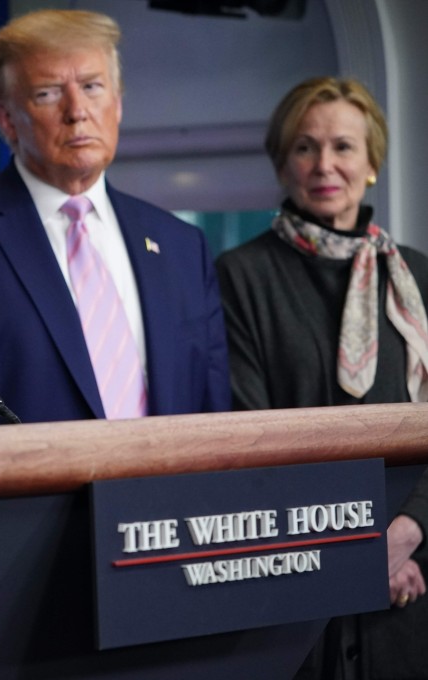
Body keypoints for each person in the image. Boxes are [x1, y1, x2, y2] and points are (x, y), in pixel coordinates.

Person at [0, 9, 230, 439]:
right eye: (49, 94)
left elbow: (213, 422)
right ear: (7, 119)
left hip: (160, 504)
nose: (77, 112)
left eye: (92, 87)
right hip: (9, 506)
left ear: (118, 102)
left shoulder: (181, 245)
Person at [215, 76, 428, 679]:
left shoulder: (418, 275)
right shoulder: (240, 275)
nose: (324, 164)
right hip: (298, 588)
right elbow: (251, 433)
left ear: (371, 164)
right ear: (283, 162)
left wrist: (409, 536)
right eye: (304, 147)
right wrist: (358, 554)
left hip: (414, 583)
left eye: (343, 147)